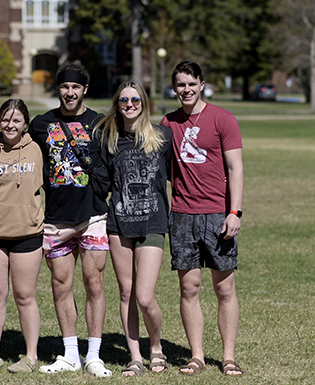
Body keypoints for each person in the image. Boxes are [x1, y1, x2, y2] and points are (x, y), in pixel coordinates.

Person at [160, 61, 244, 377]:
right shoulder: (167, 123)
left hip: (218, 215)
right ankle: (195, 356)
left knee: (224, 288)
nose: (186, 90)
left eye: (191, 84)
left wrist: (234, 212)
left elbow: (235, 169)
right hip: (182, 215)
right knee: (189, 287)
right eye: (180, 84)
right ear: (174, 87)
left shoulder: (223, 119)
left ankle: (228, 357)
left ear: (202, 84)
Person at [29, 62, 112, 377]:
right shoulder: (41, 124)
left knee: (95, 283)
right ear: (58, 89)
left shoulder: (99, 123)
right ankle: (70, 354)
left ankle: (93, 355)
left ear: (84, 89)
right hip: (56, 219)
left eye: (75, 87)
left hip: (93, 216)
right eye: (65, 87)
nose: (70, 92)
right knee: (61, 285)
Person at [94, 82, 172, 376]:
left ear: (144, 102)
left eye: (135, 99)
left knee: (144, 296)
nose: (129, 104)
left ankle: (156, 346)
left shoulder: (163, 137)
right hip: (119, 223)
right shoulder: (108, 139)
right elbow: (101, 182)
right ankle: (136, 356)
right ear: (117, 104)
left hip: (153, 222)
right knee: (126, 292)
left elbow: (175, 176)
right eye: (123, 99)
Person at [0, 99, 44, 373]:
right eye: (6, 119)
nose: (10, 124)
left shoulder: (35, 150)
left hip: (27, 233)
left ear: (25, 123)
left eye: (16, 120)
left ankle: (30, 355)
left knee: (24, 295)